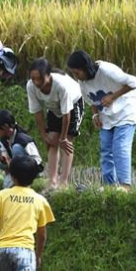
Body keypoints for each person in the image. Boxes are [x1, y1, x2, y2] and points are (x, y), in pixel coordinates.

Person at [67, 50, 136, 189]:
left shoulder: (106, 70)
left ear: (85, 67)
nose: (75, 76)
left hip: (126, 110)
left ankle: (125, 186)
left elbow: (134, 82)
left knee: (120, 147)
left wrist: (113, 97)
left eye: (77, 72)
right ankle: (110, 187)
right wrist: (95, 115)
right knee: (106, 150)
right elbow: (91, 100)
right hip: (107, 116)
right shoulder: (82, 82)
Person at [26, 58, 84, 190]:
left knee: (67, 142)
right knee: (52, 141)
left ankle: (63, 182)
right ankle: (52, 180)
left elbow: (66, 114)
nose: (36, 82)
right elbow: (37, 111)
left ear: (48, 75)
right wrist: (43, 134)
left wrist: (63, 137)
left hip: (73, 105)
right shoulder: (31, 86)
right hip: (53, 108)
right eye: (33, 78)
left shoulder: (61, 86)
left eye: (39, 78)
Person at [0, 110, 42, 189]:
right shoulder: (4, 139)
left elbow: (37, 161)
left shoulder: (23, 139)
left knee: (16, 148)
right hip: (14, 167)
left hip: (28, 170)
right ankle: (11, 175)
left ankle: (18, 177)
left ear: (5, 127)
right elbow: (8, 160)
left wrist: (25, 167)